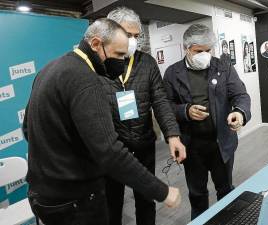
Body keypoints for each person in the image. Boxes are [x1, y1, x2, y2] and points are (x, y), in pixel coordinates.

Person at [22, 18, 181, 225]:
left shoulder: (49, 70)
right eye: (118, 55)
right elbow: (109, 152)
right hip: (76, 201)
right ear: (96, 44)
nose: (121, 63)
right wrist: (162, 191)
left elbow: (27, 129)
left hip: (43, 197)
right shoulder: (86, 80)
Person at [102, 7, 186, 225]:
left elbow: (160, 100)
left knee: (146, 198)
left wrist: (173, 135)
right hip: (112, 148)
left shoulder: (146, 62)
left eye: (136, 36)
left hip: (143, 143)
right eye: (127, 35)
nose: (132, 41)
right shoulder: (98, 64)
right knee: (112, 203)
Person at [163, 24, 251, 220]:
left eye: (208, 50)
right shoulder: (172, 73)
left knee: (226, 189)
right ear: (186, 48)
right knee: (197, 193)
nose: (204, 54)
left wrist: (240, 112)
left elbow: (240, 95)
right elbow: (165, 105)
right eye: (198, 51)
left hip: (221, 143)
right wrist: (185, 111)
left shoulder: (223, 67)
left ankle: (228, 220)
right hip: (192, 146)